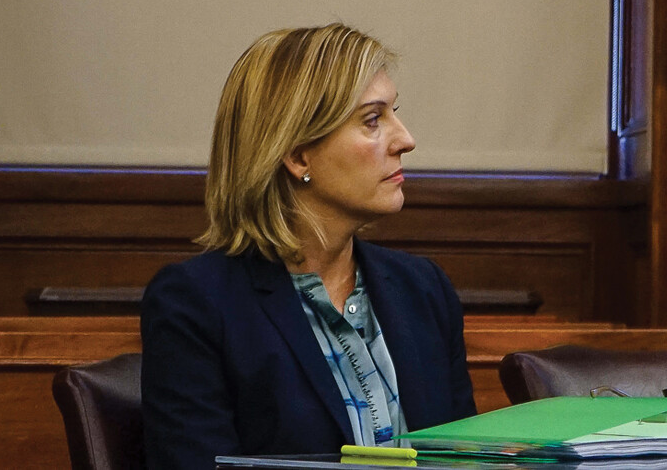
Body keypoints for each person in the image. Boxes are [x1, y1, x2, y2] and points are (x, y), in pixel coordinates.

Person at [141, 25, 476, 470]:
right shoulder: (196, 305)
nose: (405, 140)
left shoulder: (424, 289)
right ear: (299, 156)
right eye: (373, 120)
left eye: (394, 113)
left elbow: (468, 459)